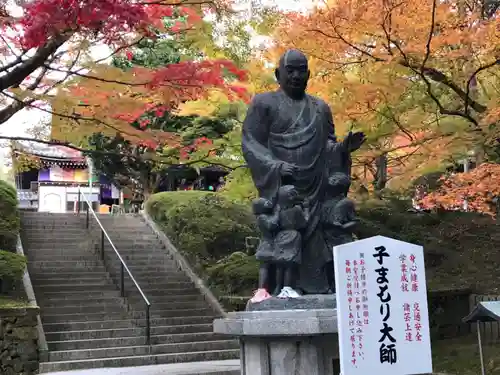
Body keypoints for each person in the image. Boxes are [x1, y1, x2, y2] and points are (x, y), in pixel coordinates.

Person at [242, 48, 365, 296]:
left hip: (317, 185)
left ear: (309, 74)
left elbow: (327, 144)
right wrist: (276, 166)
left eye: (301, 70)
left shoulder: (320, 107)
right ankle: (276, 289)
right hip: (284, 187)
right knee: (286, 239)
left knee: (319, 244)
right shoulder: (263, 103)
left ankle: (320, 286)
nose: (296, 75)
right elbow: (251, 143)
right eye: (290, 70)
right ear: (278, 74)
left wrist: (343, 148)